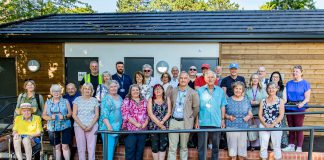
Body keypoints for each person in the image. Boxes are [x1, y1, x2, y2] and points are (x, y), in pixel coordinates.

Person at [196, 70, 227, 160]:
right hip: (203, 122)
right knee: (201, 146)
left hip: (216, 121)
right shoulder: (200, 90)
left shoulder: (220, 91)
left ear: (215, 79)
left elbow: (222, 106)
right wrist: (197, 120)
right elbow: (197, 107)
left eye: (212, 77)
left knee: (216, 146)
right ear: (205, 78)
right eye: (208, 77)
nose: (210, 79)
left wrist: (222, 120)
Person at [168, 71, 199, 160]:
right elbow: (171, 104)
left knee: (184, 147)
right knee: (172, 147)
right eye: (181, 78)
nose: (183, 80)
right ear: (178, 79)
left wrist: (190, 117)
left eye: (185, 78)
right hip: (173, 121)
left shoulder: (193, 92)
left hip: (185, 122)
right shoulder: (173, 90)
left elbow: (196, 108)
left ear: (188, 80)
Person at [283, 65, 311, 152]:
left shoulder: (305, 83)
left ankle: (299, 147)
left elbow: (307, 97)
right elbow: (285, 97)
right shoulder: (289, 83)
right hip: (289, 107)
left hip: (299, 108)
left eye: (297, 71)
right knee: (291, 127)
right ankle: (291, 146)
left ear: (301, 73)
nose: (295, 73)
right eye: (294, 71)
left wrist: (302, 104)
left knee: (298, 127)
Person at [42, 84, 72, 160]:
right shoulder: (48, 102)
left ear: (60, 92)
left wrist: (64, 116)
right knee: (57, 146)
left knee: (65, 146)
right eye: (54, 91)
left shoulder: (65, 101)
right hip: (52, 127)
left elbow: (70, 113)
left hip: (65, 126)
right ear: (51, 92)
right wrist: (50, 117)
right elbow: (43, 115)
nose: (56, 93)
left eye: (58, 91)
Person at [225, 81, 252, 160]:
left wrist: (248, 116)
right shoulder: (228, 100)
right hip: (231, 126)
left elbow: (250, 113)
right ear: (233, 89)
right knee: (232, 152)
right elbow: (223, 113)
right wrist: (229, 117)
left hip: (243, 126)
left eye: (240, 89)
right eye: (236, 88)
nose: (238, 90)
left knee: (242, 152)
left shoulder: (246, 100)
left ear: (242, 90)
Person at [121, 84, 149, 160]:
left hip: (143, 131)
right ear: (130, 91)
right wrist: (136, 124)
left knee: (139, 153)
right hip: (130, 131)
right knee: (130, 152)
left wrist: (145, 123)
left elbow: (148, 113)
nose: (135, 91)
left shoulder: (144, 101)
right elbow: (125, 114)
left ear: (140, 91)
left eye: (137, 90)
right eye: (133, 90)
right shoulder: (126, 101)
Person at [72, 83, 99, 160]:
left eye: (89, 89)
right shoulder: (77, 100)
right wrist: (83, 126)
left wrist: (90, 126)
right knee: (81, 148)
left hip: (92, 126)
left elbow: (96, 115)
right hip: (79, 126)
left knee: (92, 148)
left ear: (91, 90)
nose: (87, 90)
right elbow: (74, 114)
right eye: (85, 88)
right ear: (82, 90)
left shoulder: (95, 100)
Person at [259, 82, 285, 160]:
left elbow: (281, 114)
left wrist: (273, 124)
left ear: (277, 89)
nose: (271, 89)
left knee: (276, 145)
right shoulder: (263, 100)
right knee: (263, 145)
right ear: (267, 89)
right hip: (264, 125)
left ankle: (277, 158)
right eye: (269, 88)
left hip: (276, 125)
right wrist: (265, 124)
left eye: (273, 88)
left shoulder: (280, 101)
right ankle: (263, 158)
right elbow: (260, 114)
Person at [99, 80, 123, 160]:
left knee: (112, 150)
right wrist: (109, 127)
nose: (113, 88)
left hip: (117, 128)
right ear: (108, 88)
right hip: (108, 129)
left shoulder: (119, 97)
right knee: (108, 153)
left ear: (118, 87)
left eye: (115, 86)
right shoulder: (106, 98)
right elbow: (104, 115)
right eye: (111, 87)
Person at [147, 84, 172, 160]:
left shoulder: (167, 99)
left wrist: (162, 122)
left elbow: (169, 112)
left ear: (163, 90)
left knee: (163, 145)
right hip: (153, 126)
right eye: (156, 89)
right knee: (154, 146)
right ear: (153, 91)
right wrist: (159, 124)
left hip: (164, 126)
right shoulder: (151, 99)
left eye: (159, 89)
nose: (158, 90)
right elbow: (150, 114)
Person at [245, 73, 267, 149]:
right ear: (251, 79)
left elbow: (265, 100)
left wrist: (258, 102)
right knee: (248, 128)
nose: (255, 80)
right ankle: (248, 145)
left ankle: (256, 146)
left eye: (256, 78)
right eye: (253, 78)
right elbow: (244, 99)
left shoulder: (262, 90)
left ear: (258, 80)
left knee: (257, 128)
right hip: (248, 112)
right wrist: (249, 102)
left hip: (258, 112)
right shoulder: (247, 89)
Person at [270, 71, 288, 148]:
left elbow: (285, 100)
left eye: (277, 77)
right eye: (273, 76)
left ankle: (283, 143)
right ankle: (271, 144)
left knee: (281, 125)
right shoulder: (268, 87)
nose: (275, 78)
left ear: (279, 78)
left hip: (280, 110)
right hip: (270, 111)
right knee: (271, 125)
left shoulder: (283, 88)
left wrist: (277, 104)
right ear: (271, 78)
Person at [62, 82, 80, 159]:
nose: (70, 90)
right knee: (67, 140)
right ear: (66, 90)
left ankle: (73, 156)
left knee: (75, 140)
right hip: (66, 121)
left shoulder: (80, 97)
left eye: (72, 88)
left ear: (75, 89)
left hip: (77, 121)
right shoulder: (63, 97)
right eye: (68, 89)